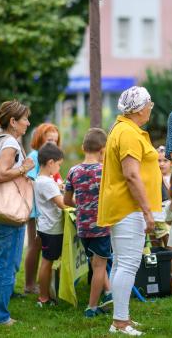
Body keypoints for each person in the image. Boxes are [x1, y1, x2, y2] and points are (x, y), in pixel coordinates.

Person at [97, 86, 161, 336]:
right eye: (149, 104)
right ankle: (119, 322)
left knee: (126, 263)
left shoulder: (125, 129)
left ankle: (122, 317)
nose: (151, 108)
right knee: (127, 264)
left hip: (126, 206)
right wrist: (147, 211)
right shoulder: (128, 133)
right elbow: (131, 175)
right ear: (138, 109)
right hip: (128, 206)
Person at [0, 100, 35, 326]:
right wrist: (24, 168)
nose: (28, 122)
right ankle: (1, 317)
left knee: (2, 262)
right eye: (24, 119)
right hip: (9, 211)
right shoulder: (9, 144)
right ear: (13, 122)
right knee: (8, 265)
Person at [64, 128, 112, 318]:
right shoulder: (105, 171)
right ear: (103, 149)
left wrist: (82, 206)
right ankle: (91, 307)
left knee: (95, 262)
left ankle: (109, 292)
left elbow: (67, 200)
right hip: (101, 226)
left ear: (83, 147)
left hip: (82, 227)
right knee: (100, 265)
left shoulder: (73, 171)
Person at [25, 123, 62, 294]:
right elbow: (31, 182)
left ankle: (39, 284)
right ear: (40, 139)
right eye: (49, 140)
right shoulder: (35, 155)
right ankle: (30, 284)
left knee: (40, 246)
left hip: (44, 208)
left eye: (55, 140)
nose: (53, 143)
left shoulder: (50, 158)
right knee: (34, 245)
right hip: (36, 209)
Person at [34, 143, 65, 306]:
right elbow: (63, 204)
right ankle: (43, 297)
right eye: (59, 165)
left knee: (49, 261)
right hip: (51, 229)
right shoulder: (46, 182)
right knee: (47, 262)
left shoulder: (43, 180)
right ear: (51, 162)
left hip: (47, 227)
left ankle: (49, 294)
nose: (59, 169)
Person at [150, 145, 171, 247]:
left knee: (168, 242)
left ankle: (171, 261)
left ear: (171, 162)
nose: (161, 164)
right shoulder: (153, 178)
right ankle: (158, 262)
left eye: (165, 160)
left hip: (167, 217)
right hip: (154, 215)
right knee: (154, 243)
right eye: (159, 161)